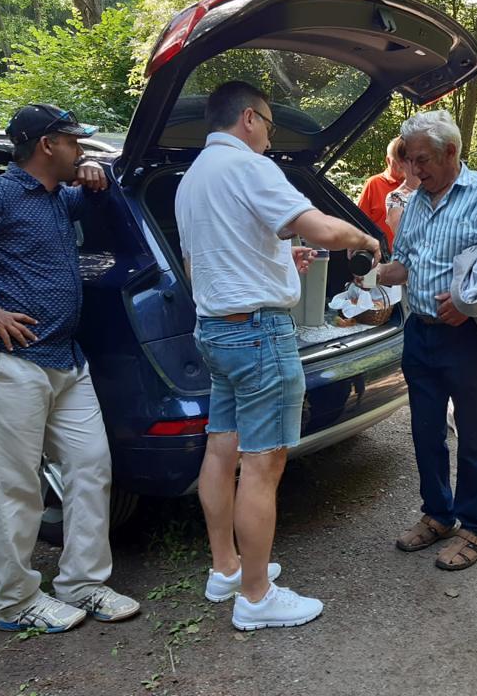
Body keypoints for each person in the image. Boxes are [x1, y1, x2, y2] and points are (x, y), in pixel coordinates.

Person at [0, 104, 140, 633]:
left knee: (90, 466)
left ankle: (82, 583)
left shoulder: (58, 197)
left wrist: (95, 173)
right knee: (13, 484)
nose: (79, 149)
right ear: (46, 145)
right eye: (73, 142)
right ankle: (15, 601)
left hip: (64, 357)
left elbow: (99, 191)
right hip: (5, 360)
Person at [175, 81, 380, 630]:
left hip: (215, 331)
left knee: (222, 449)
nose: (270, 136)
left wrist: (278, 261)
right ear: (249, 118)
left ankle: (226, 569)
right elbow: (324, 229)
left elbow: (201, 265)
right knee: (263, 464)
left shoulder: (192, 179)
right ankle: (257, 597)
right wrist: (365, 239)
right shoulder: (250, 167)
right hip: (259, 336)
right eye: (268, 124)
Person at [377, 109, 477, 570]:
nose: (413, 170)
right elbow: (405, 264)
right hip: (419, 333)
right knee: (425, 431)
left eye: (422, 160)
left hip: (469, 338)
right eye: (408, 160)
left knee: (472, 434)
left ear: (450, 151)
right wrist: (372, 271)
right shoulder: (414, 201)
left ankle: (475, 528)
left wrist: (475, 303)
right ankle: (438, 514)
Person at [357, 136, 407, 249]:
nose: (403, 164)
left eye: (406, 159)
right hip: (382, 255)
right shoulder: (373, 184)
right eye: (398, 160)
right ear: (388, 160)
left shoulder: (419, 185)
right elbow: (359, 223)